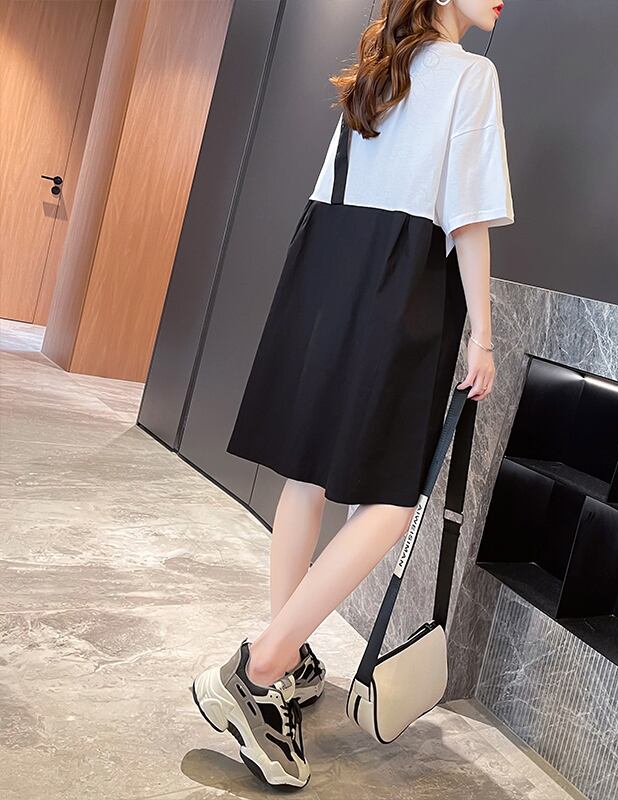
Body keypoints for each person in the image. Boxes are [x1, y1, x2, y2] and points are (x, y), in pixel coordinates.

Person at [191, 0, 513, 788]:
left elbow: (336, 188)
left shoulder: (378, 68)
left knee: (307, 474)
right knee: (391, 502)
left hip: (325, 267)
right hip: (401, 285)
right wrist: (482, 334)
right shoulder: (470, 75)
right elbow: (468, 217)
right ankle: (260, 670)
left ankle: (288, 655)